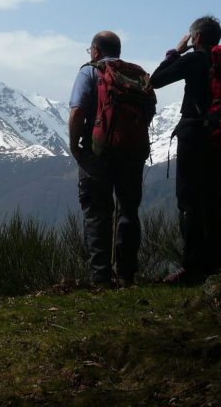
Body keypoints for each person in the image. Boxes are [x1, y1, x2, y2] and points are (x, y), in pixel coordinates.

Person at [149, 16, 221, 284]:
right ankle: (215, 263)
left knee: (189, 201)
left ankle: (193, 267)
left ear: (195, 38)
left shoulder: (194, 59)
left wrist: (175, 52)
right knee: (213, 199)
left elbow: (156, 80)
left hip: (194, 135)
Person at [68, 31, 152, 287]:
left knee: (97, 213)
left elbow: (77, 112)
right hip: (132, 152)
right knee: (129, 210)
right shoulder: (135, 74)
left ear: (95, 51)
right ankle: (126, 274)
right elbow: (148, 111)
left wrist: (75, 147)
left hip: (98, 153)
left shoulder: (89, 72)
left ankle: (100, 278)